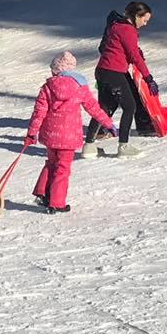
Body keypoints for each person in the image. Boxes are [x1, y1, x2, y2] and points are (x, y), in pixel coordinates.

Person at [26, 52, 114, 214]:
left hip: (51, 136)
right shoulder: (79, 87)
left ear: (56, 71)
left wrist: (32, 133)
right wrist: (108, 124)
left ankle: (42, 193)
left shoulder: (47, 88)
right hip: (68, 137)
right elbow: (93, 108)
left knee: (52, 163)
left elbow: (39, 112)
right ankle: (56, 202)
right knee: (63, 169)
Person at [84, 1, 153, 159]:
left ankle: (89, 146)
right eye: (144, 20)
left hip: (103, 71)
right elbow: (134, 55)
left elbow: (124, 50)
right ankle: (124, 146)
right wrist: (148, 77)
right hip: (113, 72)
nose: (145, 23)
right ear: (136, 16)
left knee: (104, 108)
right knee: (129, 107)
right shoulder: (128, 30)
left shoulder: (116, 26)